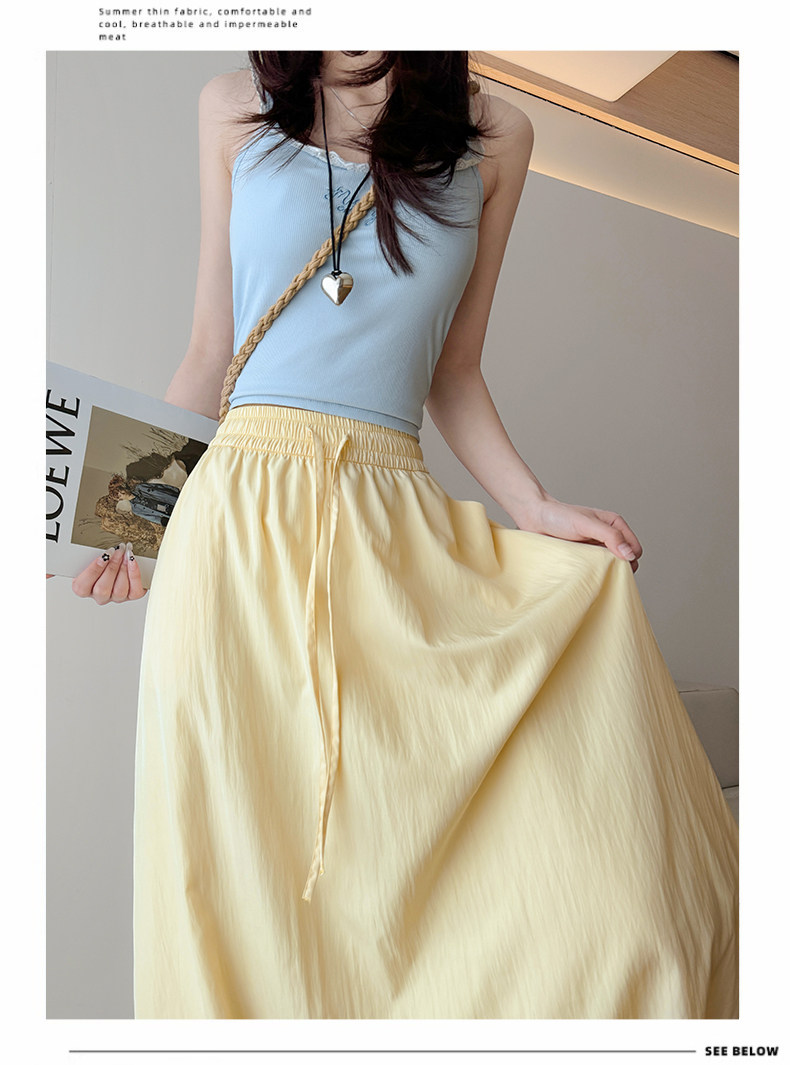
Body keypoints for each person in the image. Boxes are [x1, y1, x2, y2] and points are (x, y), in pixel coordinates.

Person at [69, 51, 738, 1019]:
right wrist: (128, 530)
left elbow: (454, 369)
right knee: (238, 863)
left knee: (602, 901)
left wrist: (535, 507)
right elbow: (211, 350)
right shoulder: (234, 106)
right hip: (236, 524)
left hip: (389, 519)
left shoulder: (496, 135)